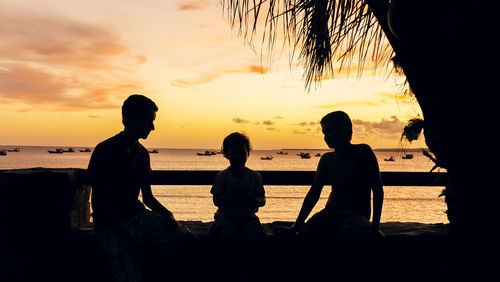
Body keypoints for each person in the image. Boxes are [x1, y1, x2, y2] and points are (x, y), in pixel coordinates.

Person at [87, 94, 190, 282]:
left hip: (137, 216)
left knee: (185, 239)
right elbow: (99, 203)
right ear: (131, 119)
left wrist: (169, 215)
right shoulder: (104, 150)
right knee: (130, 275)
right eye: (148, 121)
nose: (152, 127)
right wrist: (125, 235)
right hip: (110, 224)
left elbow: (148, 197)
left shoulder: (142, 153)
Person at [290, 111, 384, 240]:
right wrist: (297, 225)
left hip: (357, 215)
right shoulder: (327, 159)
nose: (326, 136)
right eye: (324, 133)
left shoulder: (363, 152)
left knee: (348, 235)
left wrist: (375, 227)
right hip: (329, 213)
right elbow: (314, 193)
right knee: (306, 233)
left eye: (330, 131)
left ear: (346, 130)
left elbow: (378, 190)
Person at [210, 132, 266, 241]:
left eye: (241, 153)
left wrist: (254, 200)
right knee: (227, 234)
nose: (238, 157)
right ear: (226, 154)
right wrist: (231, 198)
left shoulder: (255, 176)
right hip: (226, 217)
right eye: (233, 153)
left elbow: (262, 200)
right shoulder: (222, 176)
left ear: (248, 153)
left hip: (249, 217)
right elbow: (216, 200)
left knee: (255, 235)